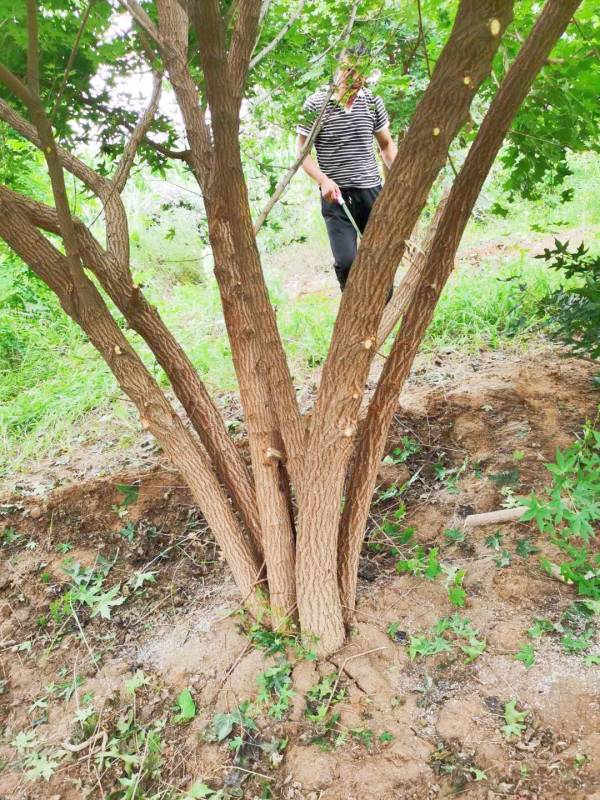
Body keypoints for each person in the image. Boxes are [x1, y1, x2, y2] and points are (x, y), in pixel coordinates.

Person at [296, 48, 398, 291]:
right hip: (336, 196)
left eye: (361, 72)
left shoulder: (372, 102)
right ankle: (353, 319)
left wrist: (402, 181)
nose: (355, 78)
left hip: (371, 192)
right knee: (347, 263)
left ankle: (382, 315)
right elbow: (302, 153)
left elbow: (386, 145)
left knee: (383, 260)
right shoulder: (316, 104)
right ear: (337, 69)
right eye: (350, 70)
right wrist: (323, 181)